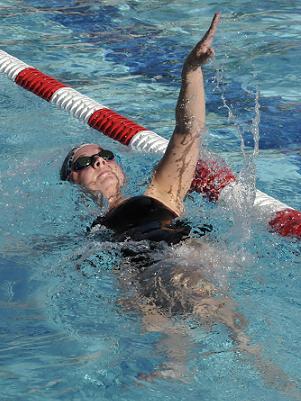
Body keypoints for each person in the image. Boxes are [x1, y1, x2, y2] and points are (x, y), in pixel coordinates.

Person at [60, 13, 300, 396]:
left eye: (105, 154)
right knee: (139, 308)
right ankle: (178, 366)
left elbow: (188, 133)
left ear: (119, 166)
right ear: (73, 179)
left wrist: (191, 71)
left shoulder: (158, 192)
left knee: (212, 313)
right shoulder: (88, 231)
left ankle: (266, 368)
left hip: (181, 258)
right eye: (85, 162)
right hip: (144, 276)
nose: (100, 162)